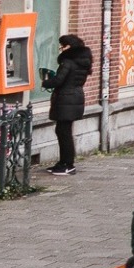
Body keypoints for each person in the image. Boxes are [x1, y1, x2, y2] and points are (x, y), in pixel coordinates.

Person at [44, 33, 93, 176]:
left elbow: (59, 80)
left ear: (69, 47)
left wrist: (46, 82)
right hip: (75, 98)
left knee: (63, 132)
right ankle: (64, 162)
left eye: (62, 46)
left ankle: (67, 164)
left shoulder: (68, 62)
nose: (61, 49)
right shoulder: (82, 62)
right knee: (64, 131)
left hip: (66, 99)